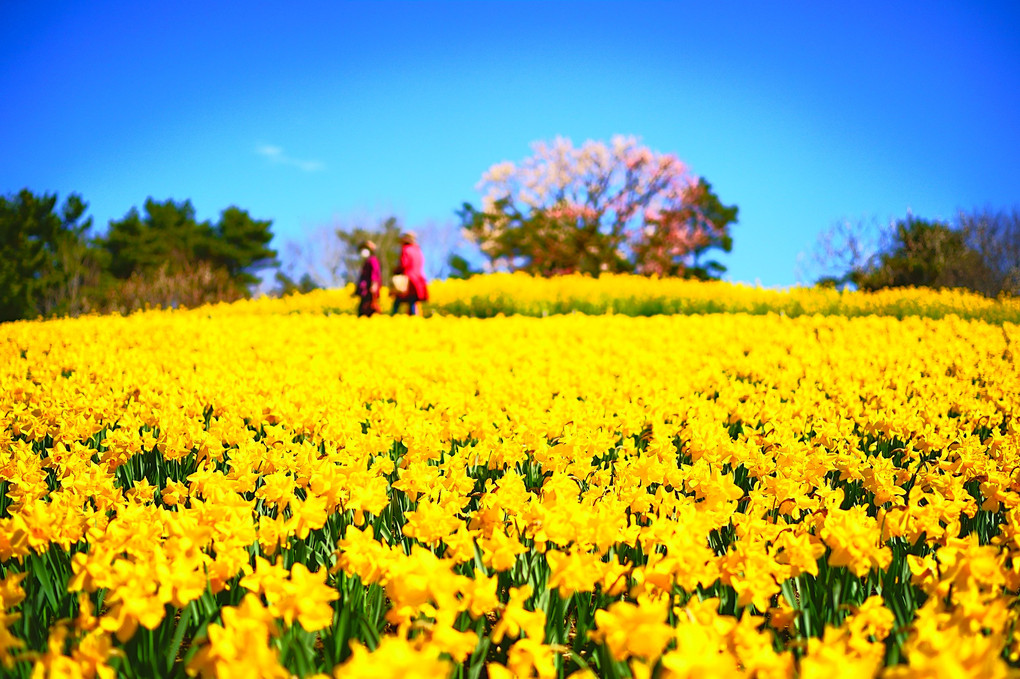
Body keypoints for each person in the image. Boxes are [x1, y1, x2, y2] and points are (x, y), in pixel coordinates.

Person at [391, 231, 428, 316]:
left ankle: (393, 317)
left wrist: (396, 271)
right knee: (413, 301)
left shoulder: (405, 249)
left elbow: (404, 264)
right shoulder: (418, 250)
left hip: (408, 279)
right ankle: (414, 319)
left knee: (398, 301)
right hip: (418, 279)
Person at [355, 240, 381, 317]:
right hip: (364, 289)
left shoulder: (373, 260)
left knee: (366, 309)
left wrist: (374, 284)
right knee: (363, 309)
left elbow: (375, 273)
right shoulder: (368, 260)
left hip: (369, 290)